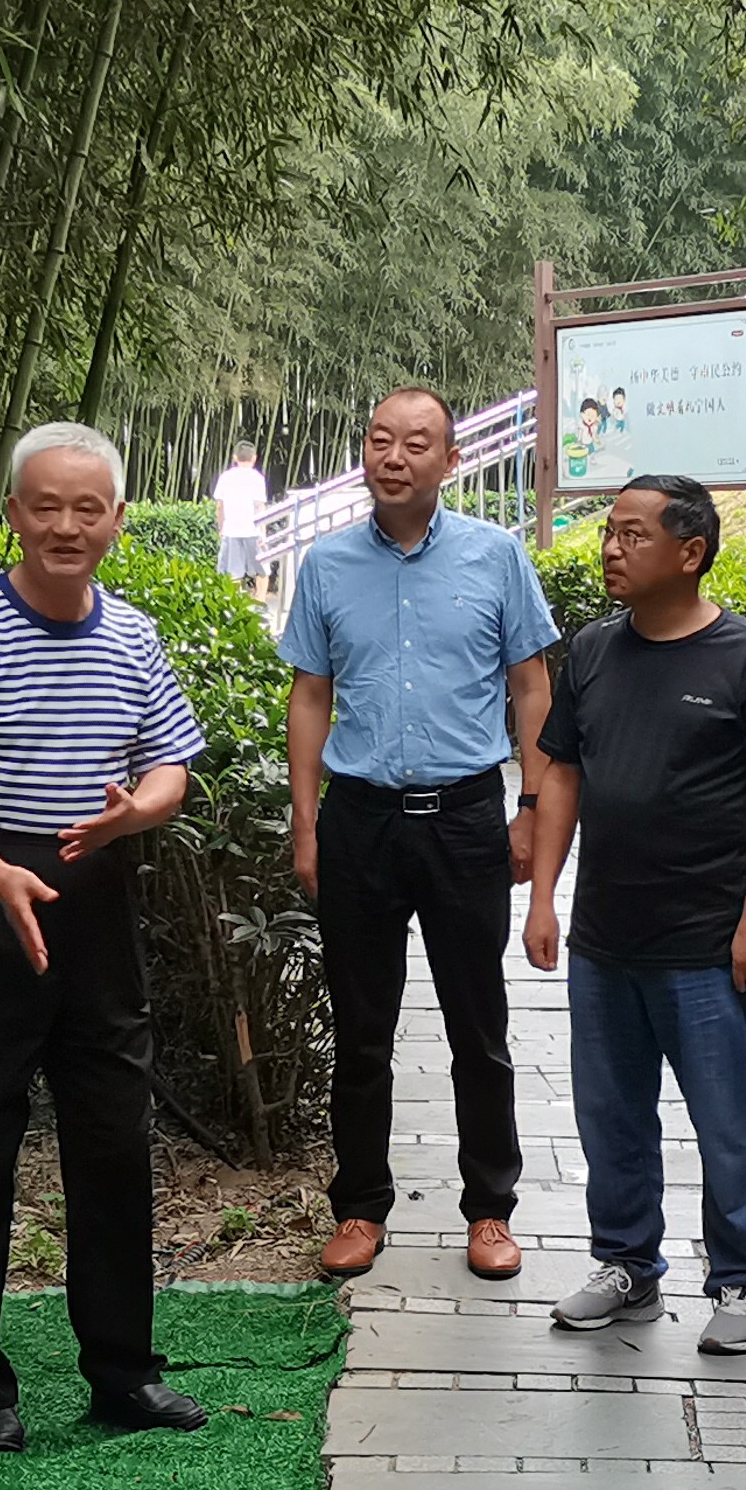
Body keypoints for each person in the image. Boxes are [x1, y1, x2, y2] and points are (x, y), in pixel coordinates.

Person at [0, 424, 213, 1450]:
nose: (66, 526)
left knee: (113, 1137)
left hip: (93, 891)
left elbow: (170, 765)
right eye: (46, 507)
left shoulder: (133, 637)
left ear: (116, 521)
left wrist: (136, 812)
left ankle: (123, 1372)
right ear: (14, 515)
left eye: (87, 508)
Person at [283, 386, 562, 1284]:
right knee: (361, 1029)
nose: (393, 457)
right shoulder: (327, 564)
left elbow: (531, 687)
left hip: (465, 819)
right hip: (359, 820)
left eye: (415, 443)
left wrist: (530, 808)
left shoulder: (495, 555)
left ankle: (490, 1210)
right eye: (379, 440)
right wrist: (305, 822)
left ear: (450, 460)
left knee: (478, 1027)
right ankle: (361, 1206)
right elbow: (310, 695)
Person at [524, 475, 746, 1354]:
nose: (612, 549)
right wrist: (543, 897)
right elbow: (562, 774)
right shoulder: (594, 651)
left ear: (691, 552)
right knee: (610, 1115)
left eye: (633, 535)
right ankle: (626, 1264)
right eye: (609, 533)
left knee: (728, 1122)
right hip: (606, 939)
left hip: (707, 944)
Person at [211, 442, 270, 586]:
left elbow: (219, 506)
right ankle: (260, 599)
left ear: (234, 457)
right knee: (262, 570)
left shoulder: (225, 477)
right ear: (254, 458)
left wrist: (221, 528)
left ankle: (235, 600)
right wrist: (263, 532)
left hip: (231, 531)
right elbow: (260, 507)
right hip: (253, 530)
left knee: (233, 573)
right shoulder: (257, 478)